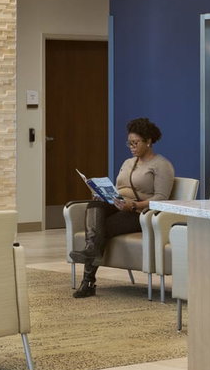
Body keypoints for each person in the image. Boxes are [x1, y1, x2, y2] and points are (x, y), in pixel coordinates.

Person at [70, 117, 175, 298]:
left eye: (135, 142)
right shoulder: (128, 163)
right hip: (118, 204)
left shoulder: (161, 165)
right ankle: (91, 254)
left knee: (98, 230)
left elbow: (161, 199)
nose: (131, 146)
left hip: (139, 213)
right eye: (129, 143)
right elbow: (120, 188)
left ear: (148, 141)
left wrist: (134, 205)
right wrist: (104, 194)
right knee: (95, 204)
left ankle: (88, 281)